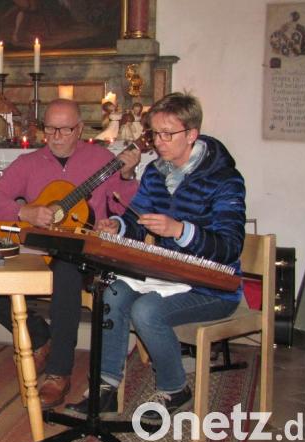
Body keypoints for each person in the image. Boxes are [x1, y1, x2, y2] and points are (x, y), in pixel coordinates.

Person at [67, 92, 246, 424]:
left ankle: (175, 388)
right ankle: (105, 385)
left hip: (212, 285)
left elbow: (230, 246)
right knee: (111, 291)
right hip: (166, 275)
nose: (159, 143)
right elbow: (137, 221)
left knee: (146, 310)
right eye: (155, 134)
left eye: (168, 134)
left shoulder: (224, 179)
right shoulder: (155, 173)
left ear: (192, 134)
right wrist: (118, 226)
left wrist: (180, 230)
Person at [0, 98, 141, 409]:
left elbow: (127, 208)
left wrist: (126, 184)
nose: (57, 137)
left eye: (65, 129)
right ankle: (39, 335)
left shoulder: (102, 159)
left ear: (79, 130)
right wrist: (26, 211)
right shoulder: (28, 163)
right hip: (39, 251)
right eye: (50, 129)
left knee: (66, 268)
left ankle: (58, 373)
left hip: (88, 253)